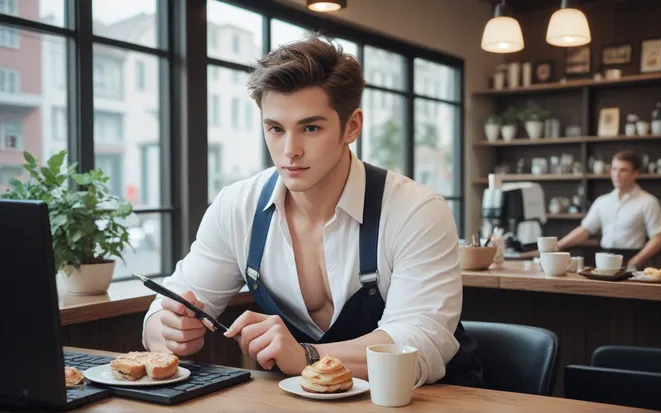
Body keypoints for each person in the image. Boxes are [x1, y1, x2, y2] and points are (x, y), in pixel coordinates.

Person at [141, 36, 483, 388]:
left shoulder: (416, 210)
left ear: (351, 126)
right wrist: (168, 333)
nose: (290, 151)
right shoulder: (237, 208)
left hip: (428, 401)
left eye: (311, 128)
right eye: (275, 128)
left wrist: (307, 357)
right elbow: (163, 310)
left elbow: (419, 342)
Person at [557, 150, 661, 270]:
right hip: (603, 258)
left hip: (632, 258)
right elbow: (585, 230)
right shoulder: (602, 201)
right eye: (614, 169)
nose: (617, 174)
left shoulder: (648, 201)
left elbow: (659, 237)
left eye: (623, 170)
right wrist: (558, 245)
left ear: (635, 173)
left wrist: (636, 261)